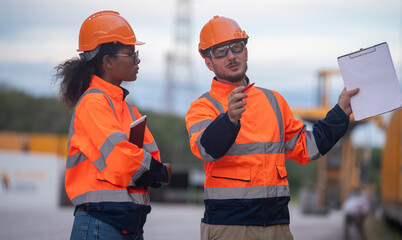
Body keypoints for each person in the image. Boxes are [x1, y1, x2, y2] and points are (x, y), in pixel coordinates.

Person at [185, 15, 359, 240]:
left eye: (236, 47)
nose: (231, 56)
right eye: (220, 51)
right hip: (229, 229)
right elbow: (207, 150)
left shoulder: (274, 101)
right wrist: (228, 120)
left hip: (277, 228)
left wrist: (341, 112)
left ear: (246, 52)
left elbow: (309, 148)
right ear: (208, 62)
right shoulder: (203, 107)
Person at [54, 11, 172, 240]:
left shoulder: (127, 108)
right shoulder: (92, 103)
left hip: (128, 225)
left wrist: (153, 170)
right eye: (131, 53)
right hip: (100, 224)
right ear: (107, 61)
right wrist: (154, 171)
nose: (137, 60)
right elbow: (122, 158)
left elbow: (151, 156)